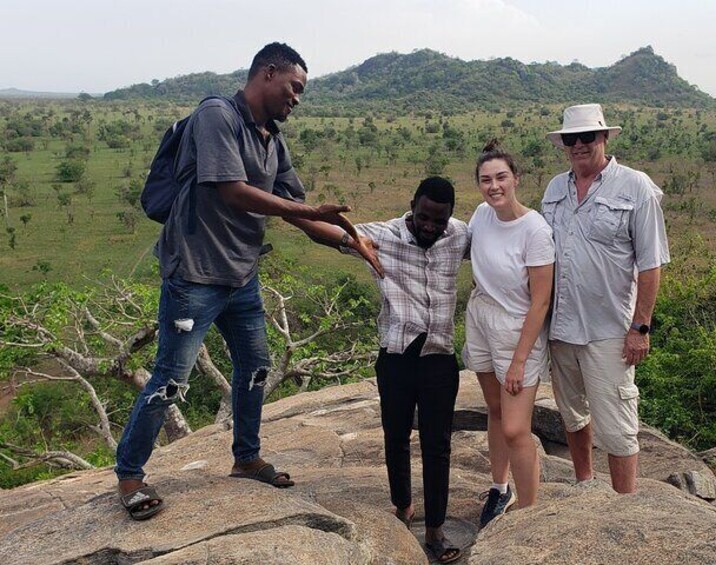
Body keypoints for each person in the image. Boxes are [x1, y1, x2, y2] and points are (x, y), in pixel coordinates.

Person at [114, 42, 379, 521]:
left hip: (241, 275)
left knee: (255, 367)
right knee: (172, 378)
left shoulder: (272, 141)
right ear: (268, 73)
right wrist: (305, 210)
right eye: (294, 88)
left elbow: (305, 218)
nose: (296, 99)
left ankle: (246, 457)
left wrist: (349, 243)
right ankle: (130, 475)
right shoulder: (217, 115)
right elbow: (232, 192)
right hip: (194, 273)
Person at [307, 177, 465, 563]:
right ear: (412, 205)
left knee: (437, 444)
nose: (430, 226)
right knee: (396, 436)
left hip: (439, 356)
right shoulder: (383, 235)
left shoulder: (460, 235)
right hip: (396, 354)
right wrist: (327, 225)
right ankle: (403, 507)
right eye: (424, 217)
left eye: (438, 221)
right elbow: (321, 232)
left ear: (450, 218)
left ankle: (436, 530)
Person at [541, 103, 670, 494]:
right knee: (573, 414)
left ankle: (623, 504)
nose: (578, 145)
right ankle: (584, 482)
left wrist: (640, 328)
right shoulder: (553, 188)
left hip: (609, 329)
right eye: (570, 138)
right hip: (561, 327)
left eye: (587, 137)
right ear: (563, 144)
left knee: (617, 424)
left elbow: (651, 264)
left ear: (603, 138)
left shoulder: (635, 187)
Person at [463, 140, 554, 527]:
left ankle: (529, 515)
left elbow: (540, 302)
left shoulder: (534, 230)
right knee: (496, 411)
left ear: (516, 179)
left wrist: (519, 360)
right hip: (481, 317)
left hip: (517, 329)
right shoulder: (481, 216)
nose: (494, 186)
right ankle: (499, 489)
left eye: (501, 177)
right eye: (486, 179)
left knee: (517, 427)